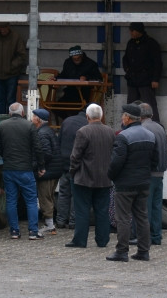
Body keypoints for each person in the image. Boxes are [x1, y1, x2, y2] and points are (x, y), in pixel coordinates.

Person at [106, 103, 158, 262]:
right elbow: (155, 161)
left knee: (123, 218)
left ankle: (122, 251)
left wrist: (111, 176)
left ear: (127, 118)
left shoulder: (123, 136)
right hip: (143, 183)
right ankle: (143, 251)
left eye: (123, 116)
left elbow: (116, 162)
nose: (122, 118)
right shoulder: (150, 135)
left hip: (125, 184)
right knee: (142, 217)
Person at [69, 103, 114, 248]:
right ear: (101, 116)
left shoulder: (83, 132)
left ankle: (80, 240)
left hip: (84, 178)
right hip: (105, 178)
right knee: (102, 211)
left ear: (87, 116)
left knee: (82, 211)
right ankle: (102, 240)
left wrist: (72, 172)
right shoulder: (110, 131)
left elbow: (75, 156)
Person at [0, 103, 42, 239]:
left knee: (11, 200)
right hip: (25, 169)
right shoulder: (29, 126)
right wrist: (41, 165)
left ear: (10, 113)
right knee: (31, 201)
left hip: (8, 168)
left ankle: (14, 231)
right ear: (23, 113)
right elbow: (38, 147)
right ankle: (33, 231)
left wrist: (6, 156)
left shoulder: (2, 125)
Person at [53, 110, 88, 233]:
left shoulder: (66, 121)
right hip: (78, 165)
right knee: (76, 195)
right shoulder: (86, 124)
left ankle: (60, 220)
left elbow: (59, 141)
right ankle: (73, 222)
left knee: (63, 193)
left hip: (64, 163)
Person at [140, 101, 167, 245]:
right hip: (160, 172)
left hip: (149, 173)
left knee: (145, 208)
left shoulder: (143, 129)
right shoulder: (160, 127)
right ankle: (156, 236)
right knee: (157, 207)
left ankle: (146, 238)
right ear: (151, 114)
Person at [122, 22, 162, 122]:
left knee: (149, 105)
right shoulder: (130, 43)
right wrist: (127, 69)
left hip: (146, 80)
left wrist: (155, 79)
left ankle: (155, 125)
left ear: (138, 31)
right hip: (132, 79)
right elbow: (125, 58)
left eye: (132, 31)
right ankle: (129, 125)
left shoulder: (151, 43)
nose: (130, 33)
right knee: (131, 105)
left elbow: (158, 63)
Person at [32, 107, 60, 234]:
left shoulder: (41, 133)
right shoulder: (48, 130)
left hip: (48, 172)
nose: (31, 119)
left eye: (33, 117)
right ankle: (50, 223)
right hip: (54, 170)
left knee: (45, 198)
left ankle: (50, 225)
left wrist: (40, 167)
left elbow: (46, 153)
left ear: (38, 120)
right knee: (49, 197)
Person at [0, 22, 28, 114]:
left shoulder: (16, 37)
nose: (2, 29)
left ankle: (9, 121)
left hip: (12, 75)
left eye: (4, 27)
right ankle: (2, 121)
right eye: (0, 27)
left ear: (8, 26)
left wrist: (11, 67)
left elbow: (22, 55)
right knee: (0, 100)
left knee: (10, 100)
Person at [56, 45, 102, 112]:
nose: (76, 60)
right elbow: (63, 75)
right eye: (74, 59)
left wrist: (86, 78)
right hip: (70, 92)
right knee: (56, 108)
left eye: (78, 58)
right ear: (71, 57)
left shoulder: (91, 64)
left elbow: (99, 78)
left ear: (81, 56)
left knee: (76, 108)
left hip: (85, 93)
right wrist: (55, 78)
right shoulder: (68, 63)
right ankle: (70, 120)